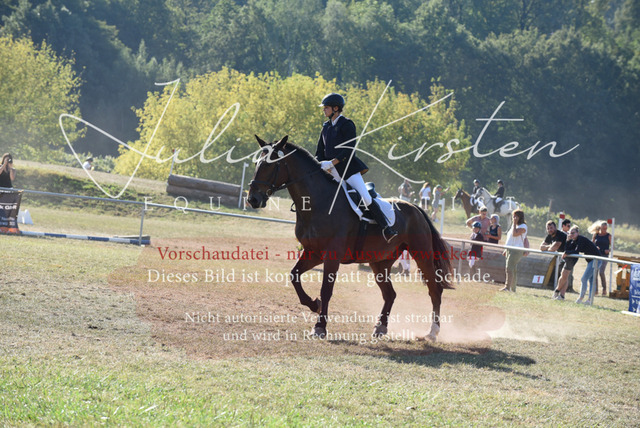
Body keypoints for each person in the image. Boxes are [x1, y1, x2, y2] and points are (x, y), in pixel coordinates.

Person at [315, 93, 398, 242]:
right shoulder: (325, 127)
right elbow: (319, 151)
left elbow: (349, 150)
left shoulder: (347, 124)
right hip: (330, 171)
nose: (324, 110)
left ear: (336, 108)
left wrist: (332, 163)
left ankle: (386, 228)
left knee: (365, 197)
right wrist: (320, 163)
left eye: (326, 107)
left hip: (348, 170)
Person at [556, 226, 601, 305]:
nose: (571, 235)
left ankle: (581, 298)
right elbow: (568, 249)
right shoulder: (574, 241)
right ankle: (589, 300)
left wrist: (567, 253)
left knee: (584, 279)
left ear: (578, 233)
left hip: (596, 260)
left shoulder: (581, 239)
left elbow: (576, 251)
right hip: (591, 261)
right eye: (570, 233)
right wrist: (567, 241)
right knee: (591, 280)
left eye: (573, 233)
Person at [501, 209, 527, 292]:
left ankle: (507, 287)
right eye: (513, 216)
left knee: (509, 267)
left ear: (520, 217)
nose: (513, 218)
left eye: (515, 216)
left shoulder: (523, 226)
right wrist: (506, 249)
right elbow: (510, 238)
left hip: (517, 250)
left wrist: (515, 223)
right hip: (509, 249)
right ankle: (513, 289)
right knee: (513, 269)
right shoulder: (513, 226)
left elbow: (515, 234)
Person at [540, 220, 567, 292]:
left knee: (564, 275)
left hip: (569, 256)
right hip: (562, 257)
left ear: (555, 227)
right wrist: (550, 246)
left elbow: (553, 248)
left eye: (551, 228)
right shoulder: (549, 235)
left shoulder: (560, 235)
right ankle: (560, 292)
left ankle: (562, 293)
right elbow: (541, 247)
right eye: (548, 228)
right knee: (563, 275)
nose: (550, 230)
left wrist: (549, 247)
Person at [590, 221, 611, 295]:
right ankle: (595, 290)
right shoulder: (596, 235)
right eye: (603, 228)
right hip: (597, 255)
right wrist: (595, 247)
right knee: (595, 272)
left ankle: (604, 289)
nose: (605, 230)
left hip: (604, 255)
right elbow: (592, 244)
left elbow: (612, 246)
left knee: (601, 271)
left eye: (606, 228)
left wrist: (608, 250)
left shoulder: (609, 235)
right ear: (600, 228)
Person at [561, 218, 575, 292]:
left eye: (570, 226)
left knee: (570, 273)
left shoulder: (570, 234)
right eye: (568, 226)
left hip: (569, 256)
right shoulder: (561, 234)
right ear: (563, 226)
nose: (569, 227)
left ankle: (569, 287)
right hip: (563, 256)